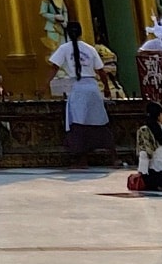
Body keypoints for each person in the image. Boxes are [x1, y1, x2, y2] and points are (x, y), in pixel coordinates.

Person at [48, 19, 113, 165]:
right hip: (93, 87)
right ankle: (111, 154)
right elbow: (101, 71)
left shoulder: (64, 48)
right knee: (99, 120)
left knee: (78, 122)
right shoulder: (90, 49)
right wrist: (107, 87)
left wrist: (45, 84)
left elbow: (54, 67)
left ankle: (81, 158)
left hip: (78, 88)